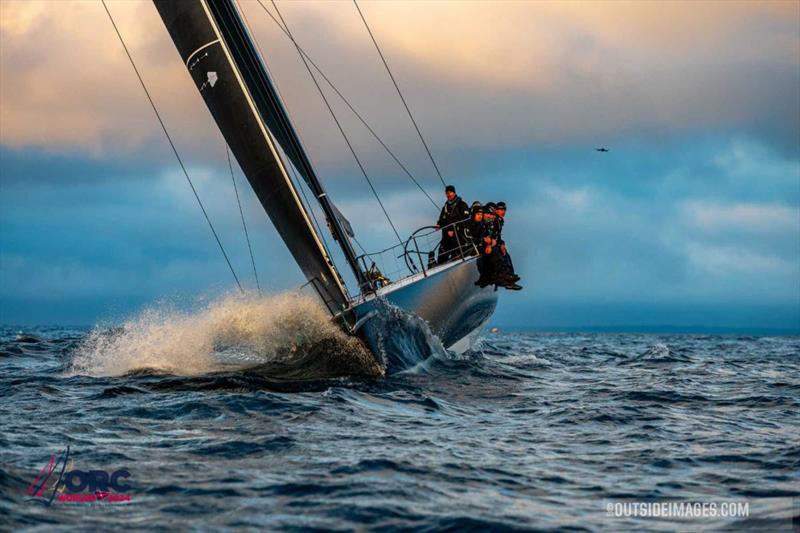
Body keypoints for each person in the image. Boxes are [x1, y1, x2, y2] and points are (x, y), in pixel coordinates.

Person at [435, 185, 469, 264]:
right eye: (447, 193)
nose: (449, 194)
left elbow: (464, 220)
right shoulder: (445, 207)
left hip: (459, 236)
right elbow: (441, 219)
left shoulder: (462, 205)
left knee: (456, 254)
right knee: (442, 253)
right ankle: (439, 267)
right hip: (446, 236)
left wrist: (453, 229)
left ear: (454, 193)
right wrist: (439, 224)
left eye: (450, 192)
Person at [494, 201, 520, 285]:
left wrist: (502, 243)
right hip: (493, 244)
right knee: (503, 255)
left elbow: (498, 236)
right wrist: (500, 243)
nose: (503, 211)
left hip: (497, 243)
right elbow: (493, 234)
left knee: (506, 254)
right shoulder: (495, 220)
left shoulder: (500, 220)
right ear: (496, 210)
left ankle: (510, 276)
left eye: (504, 210)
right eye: (500, 209)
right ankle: (507, 276)